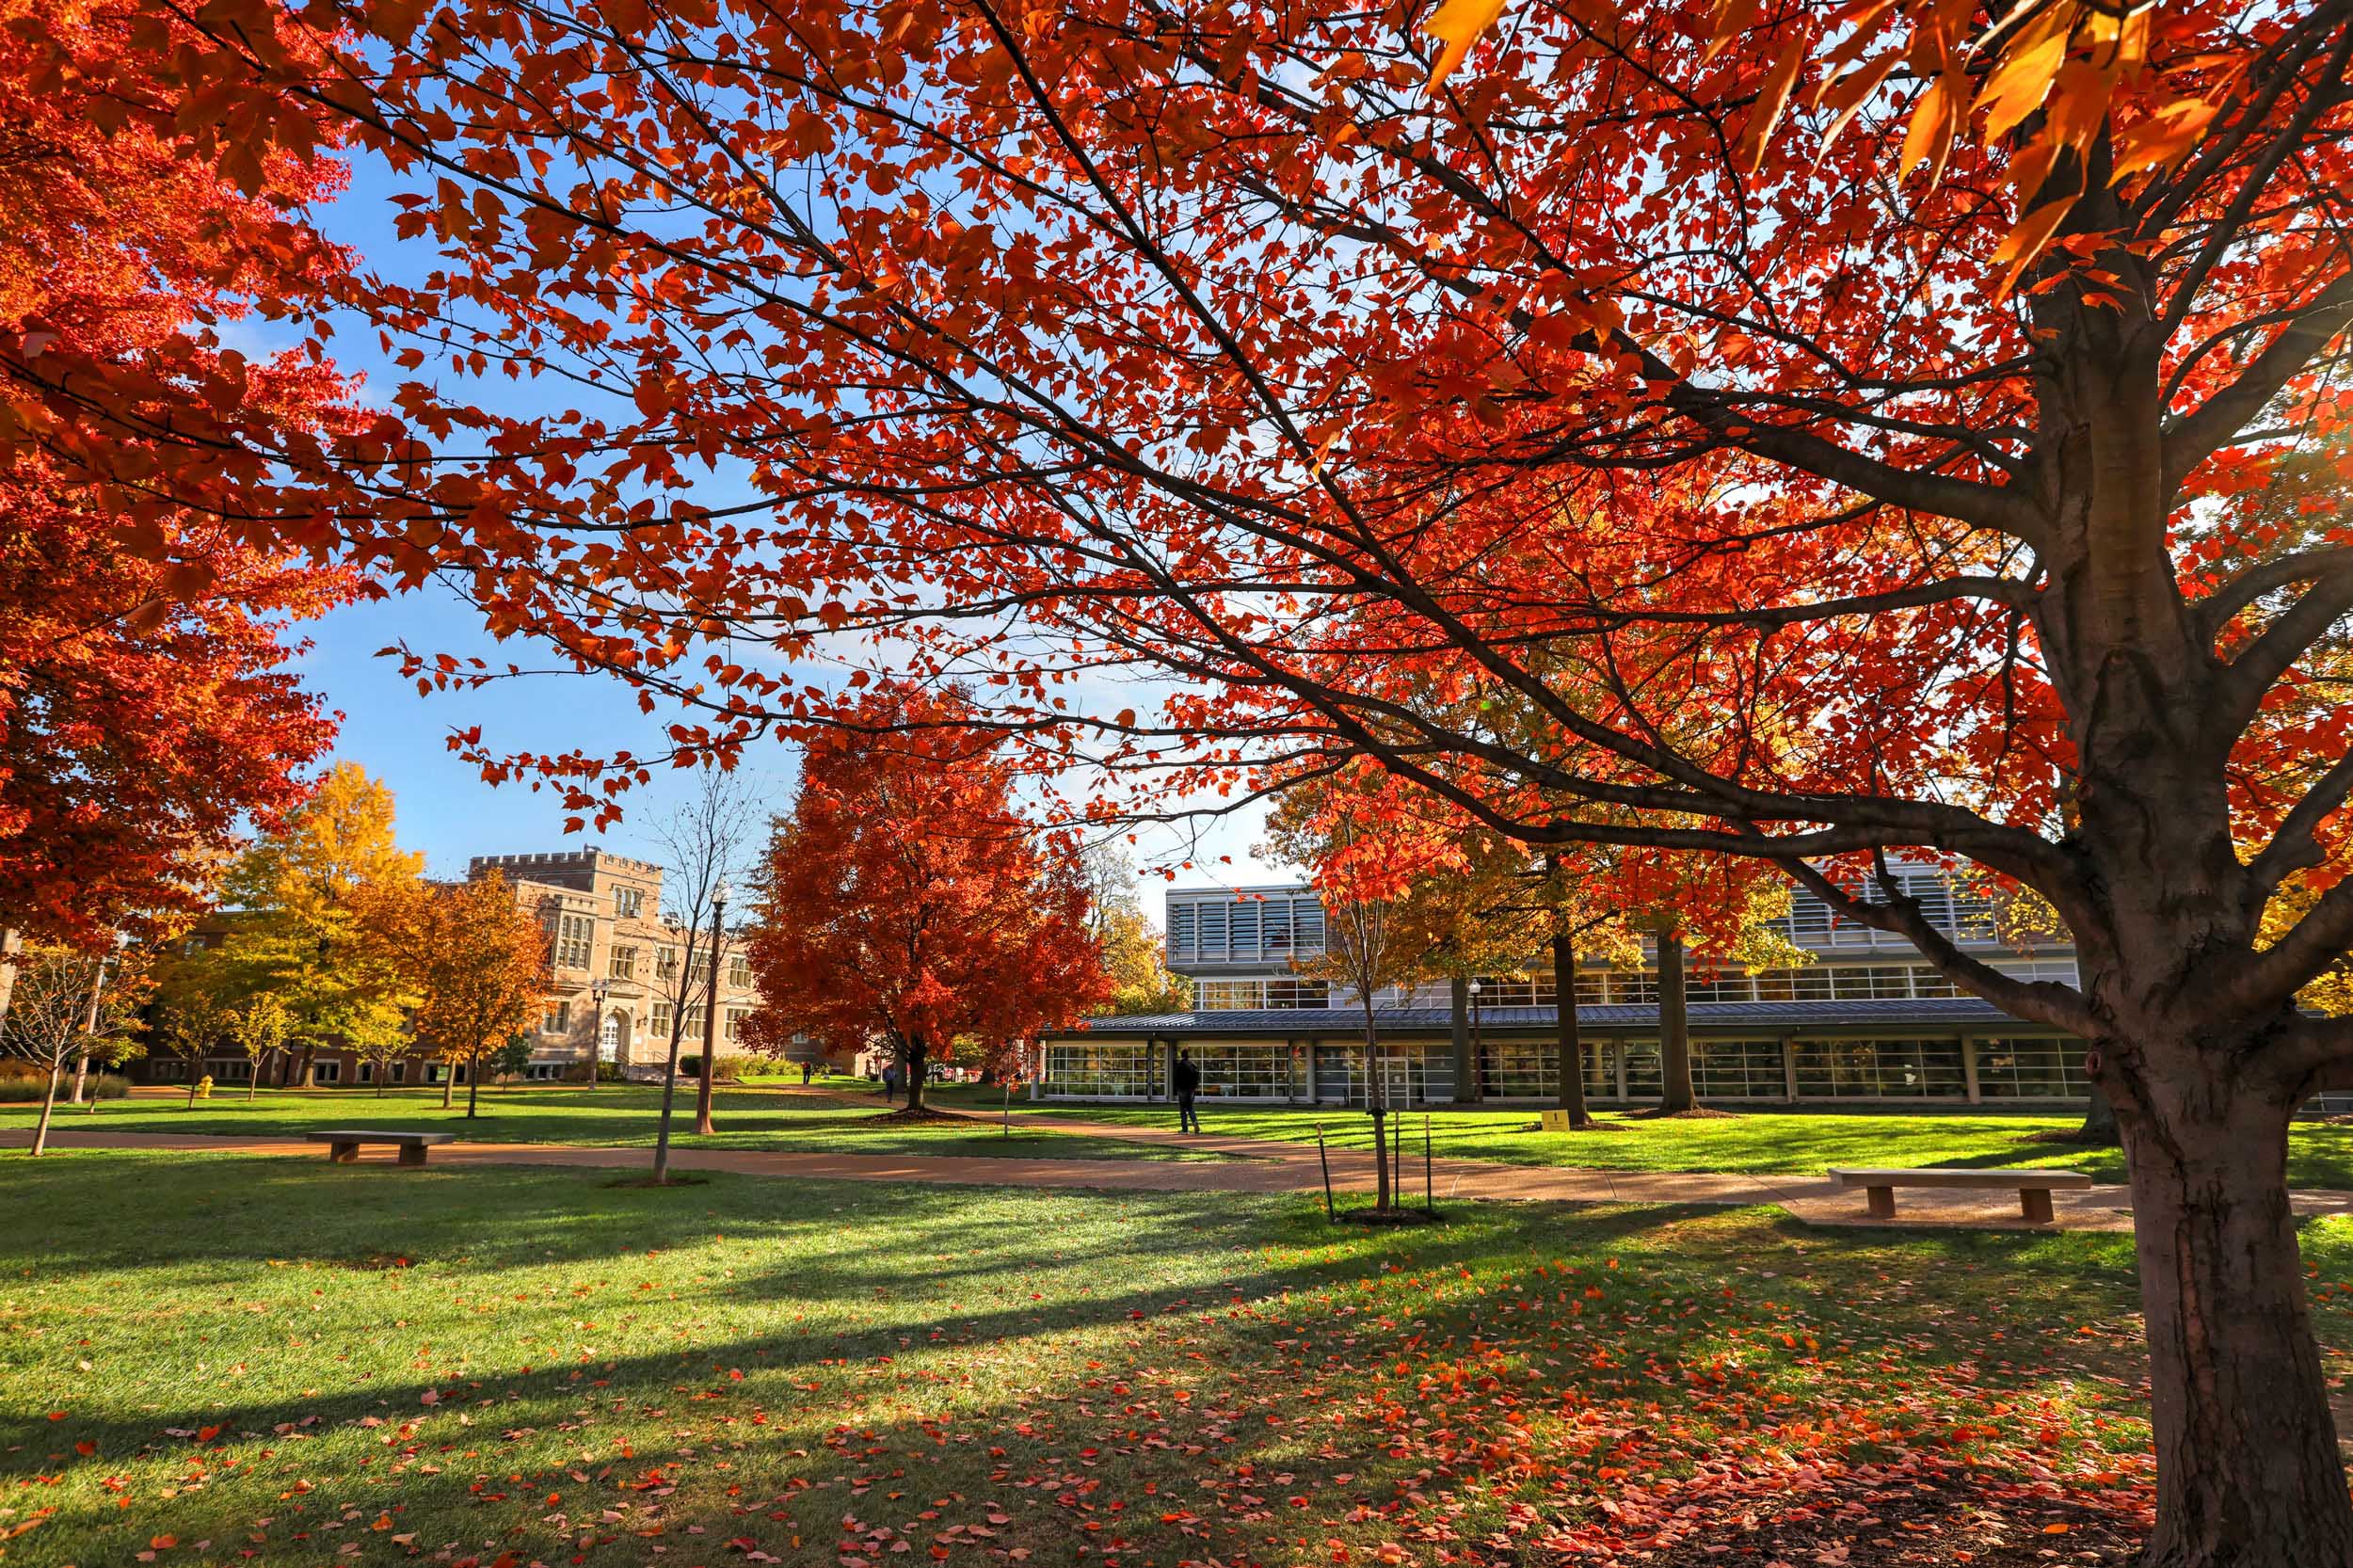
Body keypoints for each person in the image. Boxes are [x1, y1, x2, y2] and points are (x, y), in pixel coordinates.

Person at [1174, 1048, 1202, 1134]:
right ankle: (1195, 1122)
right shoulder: (1193, 1065)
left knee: (1183, 1109)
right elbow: (1197, 1077)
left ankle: (1185, 1129)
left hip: (1182, 1089)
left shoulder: (1179, 1065)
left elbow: (1176, 1078)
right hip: (1191, 1089)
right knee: (1190, 1107)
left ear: (1182, 1055)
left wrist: (1177, 1088)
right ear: (1188, 1055)